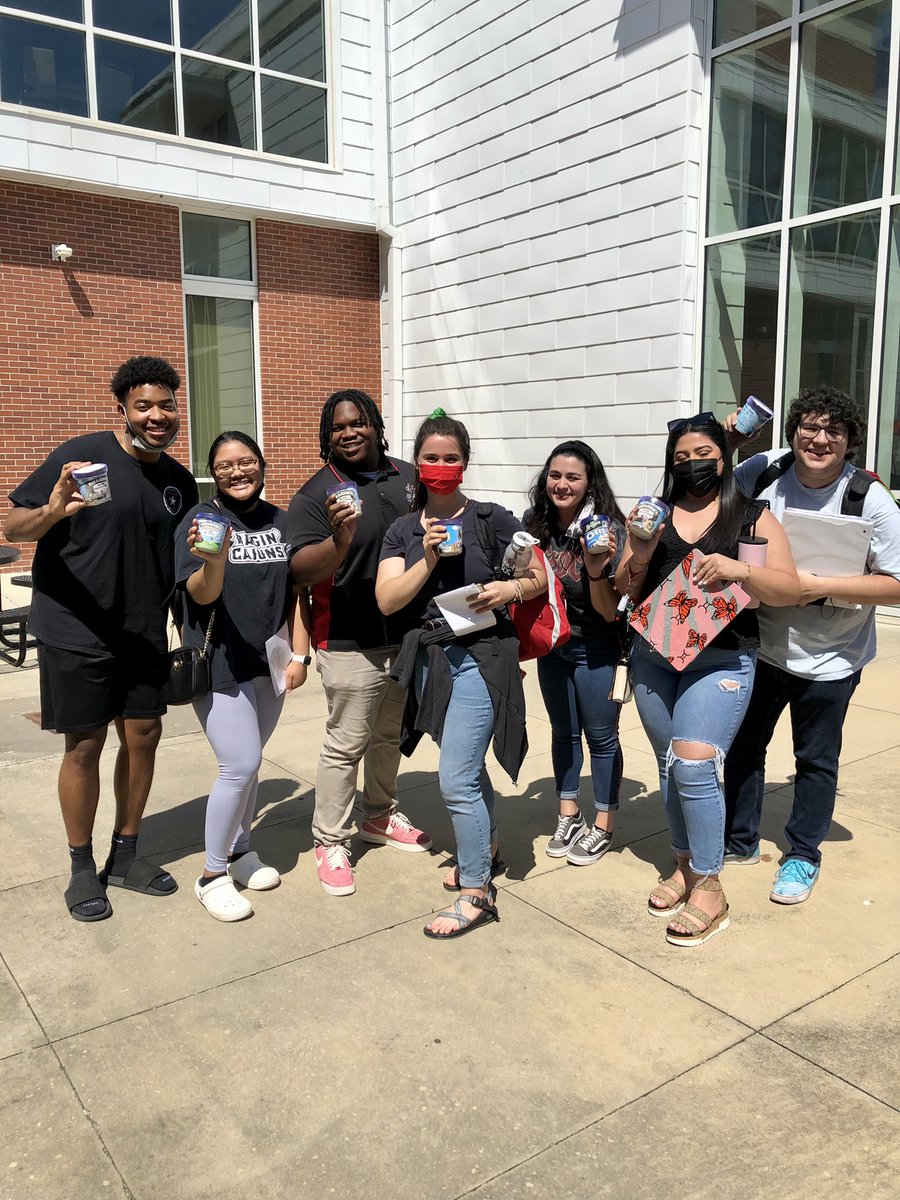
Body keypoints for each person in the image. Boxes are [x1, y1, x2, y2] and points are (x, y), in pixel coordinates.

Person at [3, 356, 198, 922]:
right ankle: (82, 865)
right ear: (123, 409)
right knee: (84, 746)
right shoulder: (82, 456)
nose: (157, 416)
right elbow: (13, 527)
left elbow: (181, 563)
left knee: (144, 737)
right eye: (144, 406)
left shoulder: (179, 481)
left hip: (143, 633)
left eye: (166, 405)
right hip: (76, 629)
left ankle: (126, 855)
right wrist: (52, 511)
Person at [615, 413, 799, 946]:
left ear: (724, 457)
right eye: (681, 458)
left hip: (722, 658)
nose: (692, 465)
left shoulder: (751, 516)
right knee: (670, 766)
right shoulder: (655, 513)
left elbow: (787, 589)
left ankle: (711, 887)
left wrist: (739, 569)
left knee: (695, 764)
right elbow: (625, 587)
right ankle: (685, 866)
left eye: (703, 455)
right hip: (655, 655)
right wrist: (639, 552)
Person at [724, 388, 900, 903]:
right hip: (760, 645)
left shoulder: (869, 497)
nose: (819, 439)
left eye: (834, 431)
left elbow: (895, 582)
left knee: (816, 760)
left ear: (850, 441)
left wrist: (815, 586)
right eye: (810, 427)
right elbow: (706, 496)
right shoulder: (765, 471)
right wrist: (727, 444)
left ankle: (802, 855)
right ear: (793, 431)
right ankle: (739, 841)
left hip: (833, 656)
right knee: (744, 748)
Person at [376, 410, 547, 939]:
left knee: (455, 779)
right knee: (468, 770)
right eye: (431, 457)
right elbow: (388, 600)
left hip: (483, 656)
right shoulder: (403, 530)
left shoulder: (491, 519)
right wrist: (426, 559)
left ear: (465, 463)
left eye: (451, 458)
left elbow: (539, 575)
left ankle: (476, 891)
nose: (441, 466)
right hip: (432, 660)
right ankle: (486, 848)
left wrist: (509, 589)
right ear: (416, 464)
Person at [285, 389, 431, 898]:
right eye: (337, 427)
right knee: (345, 744)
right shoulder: (317, 493)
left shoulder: (408, 477)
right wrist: (339, 539)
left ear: (376, 425)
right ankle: (330, 840)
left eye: (358, 422)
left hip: (405, 635)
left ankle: (379, 815)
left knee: (388, 736)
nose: (348, 433)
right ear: (327, 436)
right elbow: (300, 569)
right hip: (348, 637)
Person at [174, 432, 311, 922]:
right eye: (226, 465)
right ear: (213, 472)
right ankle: (211, 876)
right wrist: (214, 561)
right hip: (220, 661)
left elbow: (296, 593)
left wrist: (300, 655)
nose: (238, 471)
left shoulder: (281, 521)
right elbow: (200, 595)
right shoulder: (202, 520)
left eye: (247, 461)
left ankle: (239, 850)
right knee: (239, 764)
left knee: (249, 767)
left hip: (269, 661)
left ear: (262, 465)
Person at [524, 441, 627, 865]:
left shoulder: (608, 530)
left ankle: (603, 824)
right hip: (553, 644)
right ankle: (569, 813)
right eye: (555, 475)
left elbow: (609, 610)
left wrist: (596, 567)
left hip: (597, 645)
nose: (561, 485)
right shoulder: (536, 523)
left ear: (589, 484)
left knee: (601, 737)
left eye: (572, 477)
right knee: (562, 732)